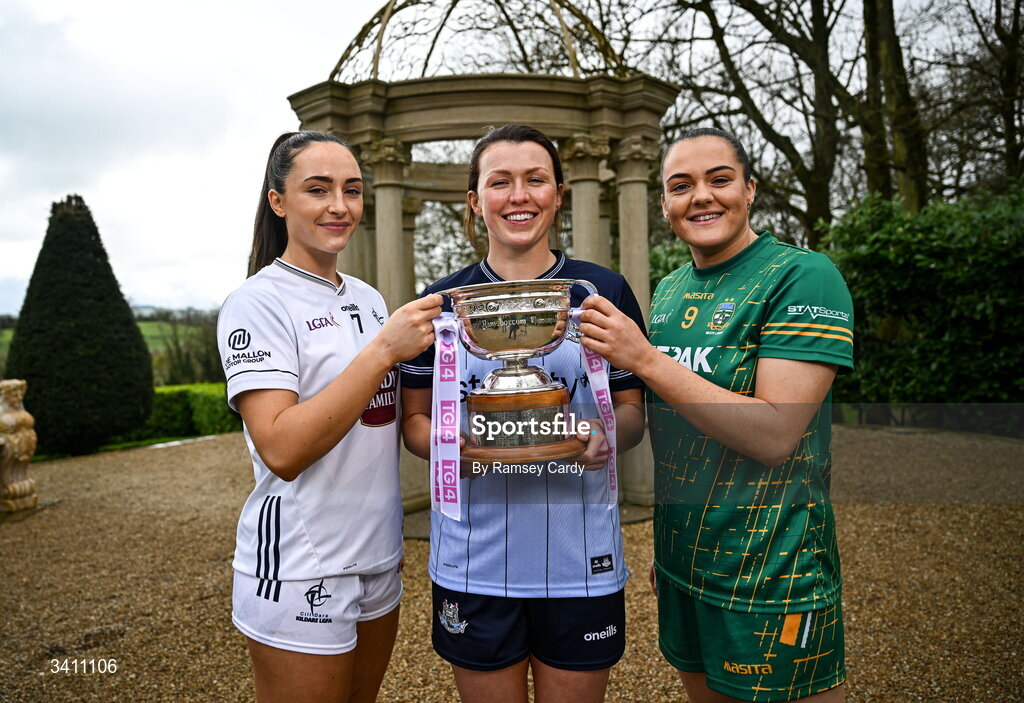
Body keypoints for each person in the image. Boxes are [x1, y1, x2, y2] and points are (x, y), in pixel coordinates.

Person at [577, 127, 853, 703]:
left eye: (719, 180)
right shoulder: (672, 289)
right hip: (686, 572)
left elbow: (777, 431)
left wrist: (645, 360)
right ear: (665, 206)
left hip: (772, 576)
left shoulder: (803, 275)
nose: (701, 196)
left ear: (749, 189)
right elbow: (675, 428)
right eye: (682, 186)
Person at [400, 124, 647, 703]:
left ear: (558, 193)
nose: (519, 196)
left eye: (536, 180)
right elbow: (414, 424)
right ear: (475, 199)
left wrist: (605, 433)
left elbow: (634, 409)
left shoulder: (600, 291)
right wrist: (451, 444)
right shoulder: (439, 305)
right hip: (473, 559)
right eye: (500, 181)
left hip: (581, 556)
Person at [217, 130, 442, 703]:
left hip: (378, 554)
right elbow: (281, 448)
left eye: (352, 190)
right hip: (298, 563)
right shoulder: (257, 302)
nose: (339, 206)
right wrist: (383, 351)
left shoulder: (368, 299)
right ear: (278, 201)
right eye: (318, 190)